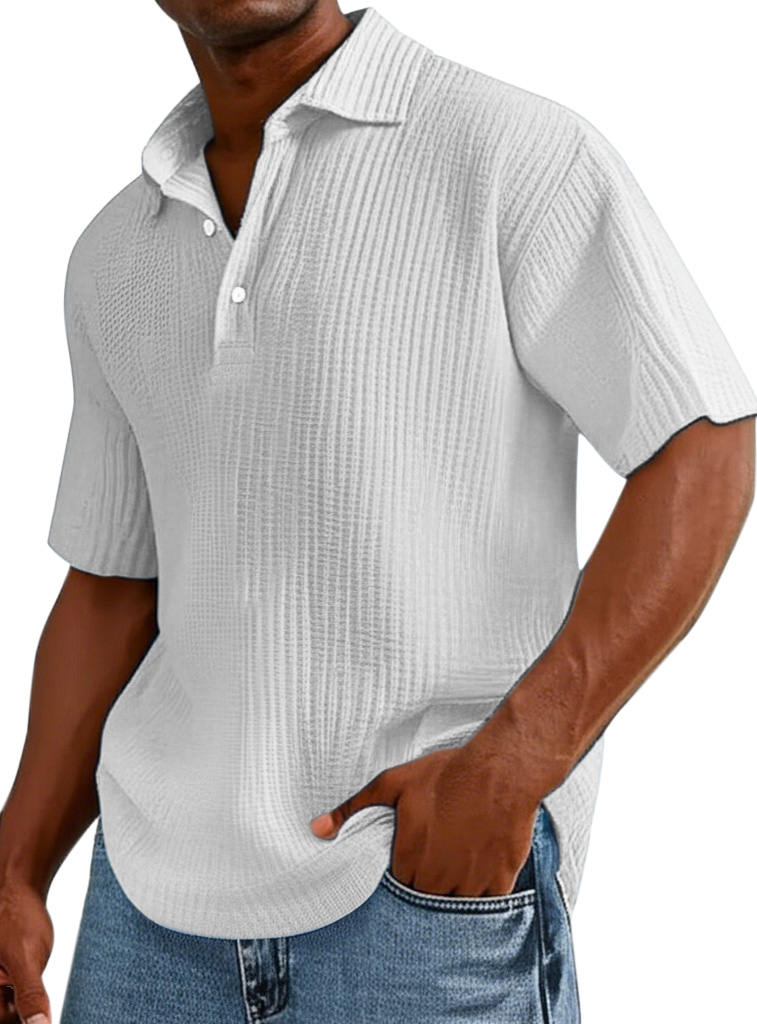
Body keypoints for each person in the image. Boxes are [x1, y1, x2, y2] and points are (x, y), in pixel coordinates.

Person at [1, 2, 755, 1022]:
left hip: (415, 897)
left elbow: (700, 442)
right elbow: (112, 585)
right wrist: (15, 868)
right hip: (145, 920)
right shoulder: (114, 253)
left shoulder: (512, 151)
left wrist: (512, 767)